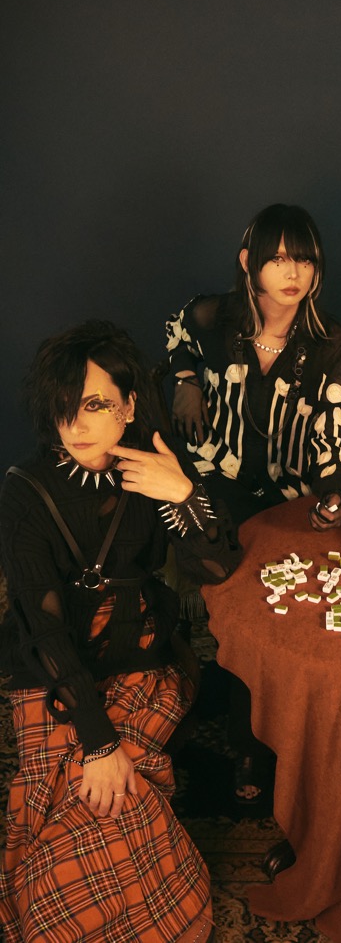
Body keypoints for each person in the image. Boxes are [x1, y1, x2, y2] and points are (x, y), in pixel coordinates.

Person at [0, 320, 242, 943]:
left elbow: (217, 569)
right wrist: (99, 742)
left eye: (94, 405)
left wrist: (183, 493)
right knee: (98, 783)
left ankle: (51, 910)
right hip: (53, 668)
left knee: (96, 795)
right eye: (63, 407)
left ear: (129, 407)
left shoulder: (157, 472)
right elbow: (42, 627)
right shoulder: (23, 491)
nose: (75, 424)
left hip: (142, 654)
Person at [166, 203, 341, 803]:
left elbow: (335, 437)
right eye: (277, 259)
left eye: (303, 259)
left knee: (271, 604)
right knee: (223, 585)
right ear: (249, 262)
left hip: (285, 493)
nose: (292, 272)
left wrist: (333, 495)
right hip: (211, 480)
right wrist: (185, 380)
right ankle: (198, 702)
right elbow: (176, 334)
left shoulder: (330, 345)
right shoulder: (213, 317)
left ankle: (254, 740)